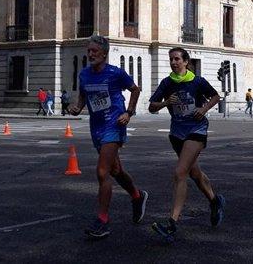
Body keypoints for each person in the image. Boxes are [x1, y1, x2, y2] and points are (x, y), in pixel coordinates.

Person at [67, 36, 147, 240]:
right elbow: (83, 98)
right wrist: (77, 108)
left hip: (114, 124)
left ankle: (102, 220)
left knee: (103, 172)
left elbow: (135, 89)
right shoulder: (84, 75)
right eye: (89, 50)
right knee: (116, 170)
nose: (91, 54)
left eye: (95, 51)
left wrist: (129, 112)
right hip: (97, 127)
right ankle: (138, 196)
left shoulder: (115, 73)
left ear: (104, 53)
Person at [148, 47, 225, 242]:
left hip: (196, 130)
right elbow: (151, 107)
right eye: (171, 59)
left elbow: (216, 96)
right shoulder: (167, 83)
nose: (173, 62)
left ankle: (172, 224)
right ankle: (215, 201)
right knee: (194, 173)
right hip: (177, 133)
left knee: (180, 173)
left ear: (186, 62)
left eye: (177, 59)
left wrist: (204, 108)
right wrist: (166, 103)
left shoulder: (197, 81)